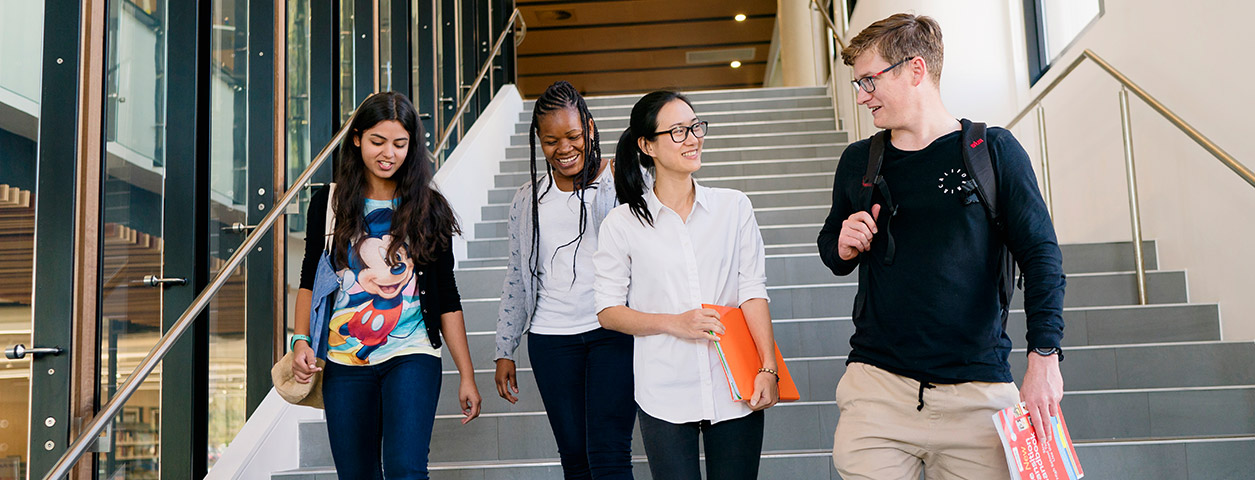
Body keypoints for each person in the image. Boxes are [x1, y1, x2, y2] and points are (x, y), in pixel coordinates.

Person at [816, 13, 1067, 480]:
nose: (861, 95)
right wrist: (844, 244)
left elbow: (1041, 256)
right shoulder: (859, 161)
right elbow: (831, 246)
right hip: (877, 392)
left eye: (869, 80)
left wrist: (1044, 357)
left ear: (915, 70)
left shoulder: (991, 151)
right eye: (858, 83)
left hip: (977, 397)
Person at [289, 92, 481, 480]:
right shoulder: (327, 203)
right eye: (378, 141)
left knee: (405, 470)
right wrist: (301, 340)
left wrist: (466, 374)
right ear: (357, 138)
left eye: (400, 143)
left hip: (413, 355)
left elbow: (447, 295)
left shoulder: (430, 208)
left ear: (412, 146)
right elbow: (310, 277)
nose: (388, 153)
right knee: (356, 474)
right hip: (345, 362)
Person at [594, 90, 780, 480]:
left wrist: (768, 369)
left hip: (736, 387)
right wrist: (675, 322)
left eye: (695, 127)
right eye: (678, 131)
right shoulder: (622, 224)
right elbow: (608, 312)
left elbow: (753, 291)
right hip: (663, 391)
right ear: (647, 146)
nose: (693, 137)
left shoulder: (734, 208)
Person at [493, 81, 636, 479]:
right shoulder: (527, 199)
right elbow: (517, 277)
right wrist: (505, 347)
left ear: (590, 128)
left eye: (573, 135)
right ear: (538, 140)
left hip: (612, 331)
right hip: (550, 339)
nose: (564, 148)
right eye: (551, 139)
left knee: (609, 453)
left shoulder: (622, 182)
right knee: (574, 457)